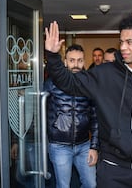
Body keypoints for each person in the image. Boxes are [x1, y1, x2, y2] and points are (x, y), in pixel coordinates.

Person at [45, 16, 132, 188]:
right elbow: (69, 83)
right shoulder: (105, 74)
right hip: (112, 169)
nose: (123, 47)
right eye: (121, 41)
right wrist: (53, 56)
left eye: (129, 42)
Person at [44, 44, 99, 188]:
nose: (76, 64)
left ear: (84, 62)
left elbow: (95, 118)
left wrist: (94, 146)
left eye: (80, 60)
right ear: (65, 62)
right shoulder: (51, 84)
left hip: (84, 145)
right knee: (63, 186)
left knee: (91, 184)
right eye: (72, 60)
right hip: (59, 146)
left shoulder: (90, 84)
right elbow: (38, 111)